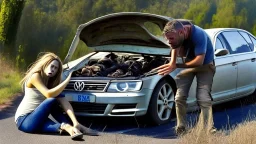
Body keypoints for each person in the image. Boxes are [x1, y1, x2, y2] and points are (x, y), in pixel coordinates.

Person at [15, 52, 99, 140]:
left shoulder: (51, 83)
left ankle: (72, 128)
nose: (53, 70)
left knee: (64, 126)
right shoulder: (35, 76)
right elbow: (48, 94)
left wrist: (75, 122)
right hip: (24, 120)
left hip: (39, 119)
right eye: (51, 66)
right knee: (52, 100)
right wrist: (67, 81)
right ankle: (69, 127)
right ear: (45, 65)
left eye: (55, 68)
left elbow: (65, 103)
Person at [154, 19, 216, 135]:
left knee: (203, 97)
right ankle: (181, 127)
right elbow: (175, 46)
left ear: (182, 32)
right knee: (179, 97)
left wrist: (176, 65)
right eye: (167, 38)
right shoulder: (177, 31)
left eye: (171, 38)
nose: (169, 41)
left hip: (205, 66)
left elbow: (199, 61)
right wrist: (172, 62)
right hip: (188, 65)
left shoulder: (198, 35)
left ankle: (209, 129)